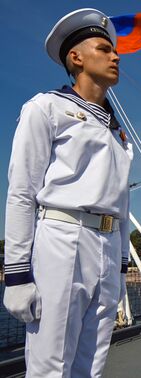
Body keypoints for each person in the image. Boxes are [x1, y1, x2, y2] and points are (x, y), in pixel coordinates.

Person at [2, 9, 131, 376]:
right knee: (51, 364)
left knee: (91, 364)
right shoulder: (46, 108)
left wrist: (120, 270)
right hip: (62, 238)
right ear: (76, 57)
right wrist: (17, 274)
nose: (115, 56)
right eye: (104, 49)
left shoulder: (118, 134)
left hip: (107, 246)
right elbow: (22, 193)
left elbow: (122, 203)